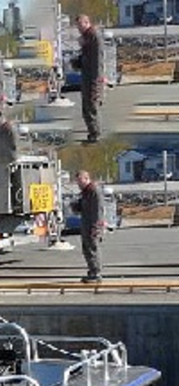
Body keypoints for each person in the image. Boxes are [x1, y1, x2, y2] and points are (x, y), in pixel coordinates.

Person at [73, 14, 103, 143]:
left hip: (92, 76)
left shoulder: (94, 36)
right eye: (77, 26)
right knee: (86, 106)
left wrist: (96, 80)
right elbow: (85, 56)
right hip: (87, 74)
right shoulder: (87, 37)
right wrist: (78, 61)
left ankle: (95, 133)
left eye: (80, 25)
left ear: (87, 23)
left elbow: (97, 60)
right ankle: (92, 132)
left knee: (91, 105)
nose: (79, 29)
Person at [72, 170, 104, 283]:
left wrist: (96, 227)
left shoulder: (94, 191)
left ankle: (96, 273)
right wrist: (75, 205)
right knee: (87, 249)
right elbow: (81, 208)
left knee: (92, 248)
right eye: (77, 182)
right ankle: (92, 270)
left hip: (92, 224)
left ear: (86, 179)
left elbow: (98, 210)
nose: (78, 184)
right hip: (86, 223)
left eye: (80, 181)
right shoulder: (85, 192)